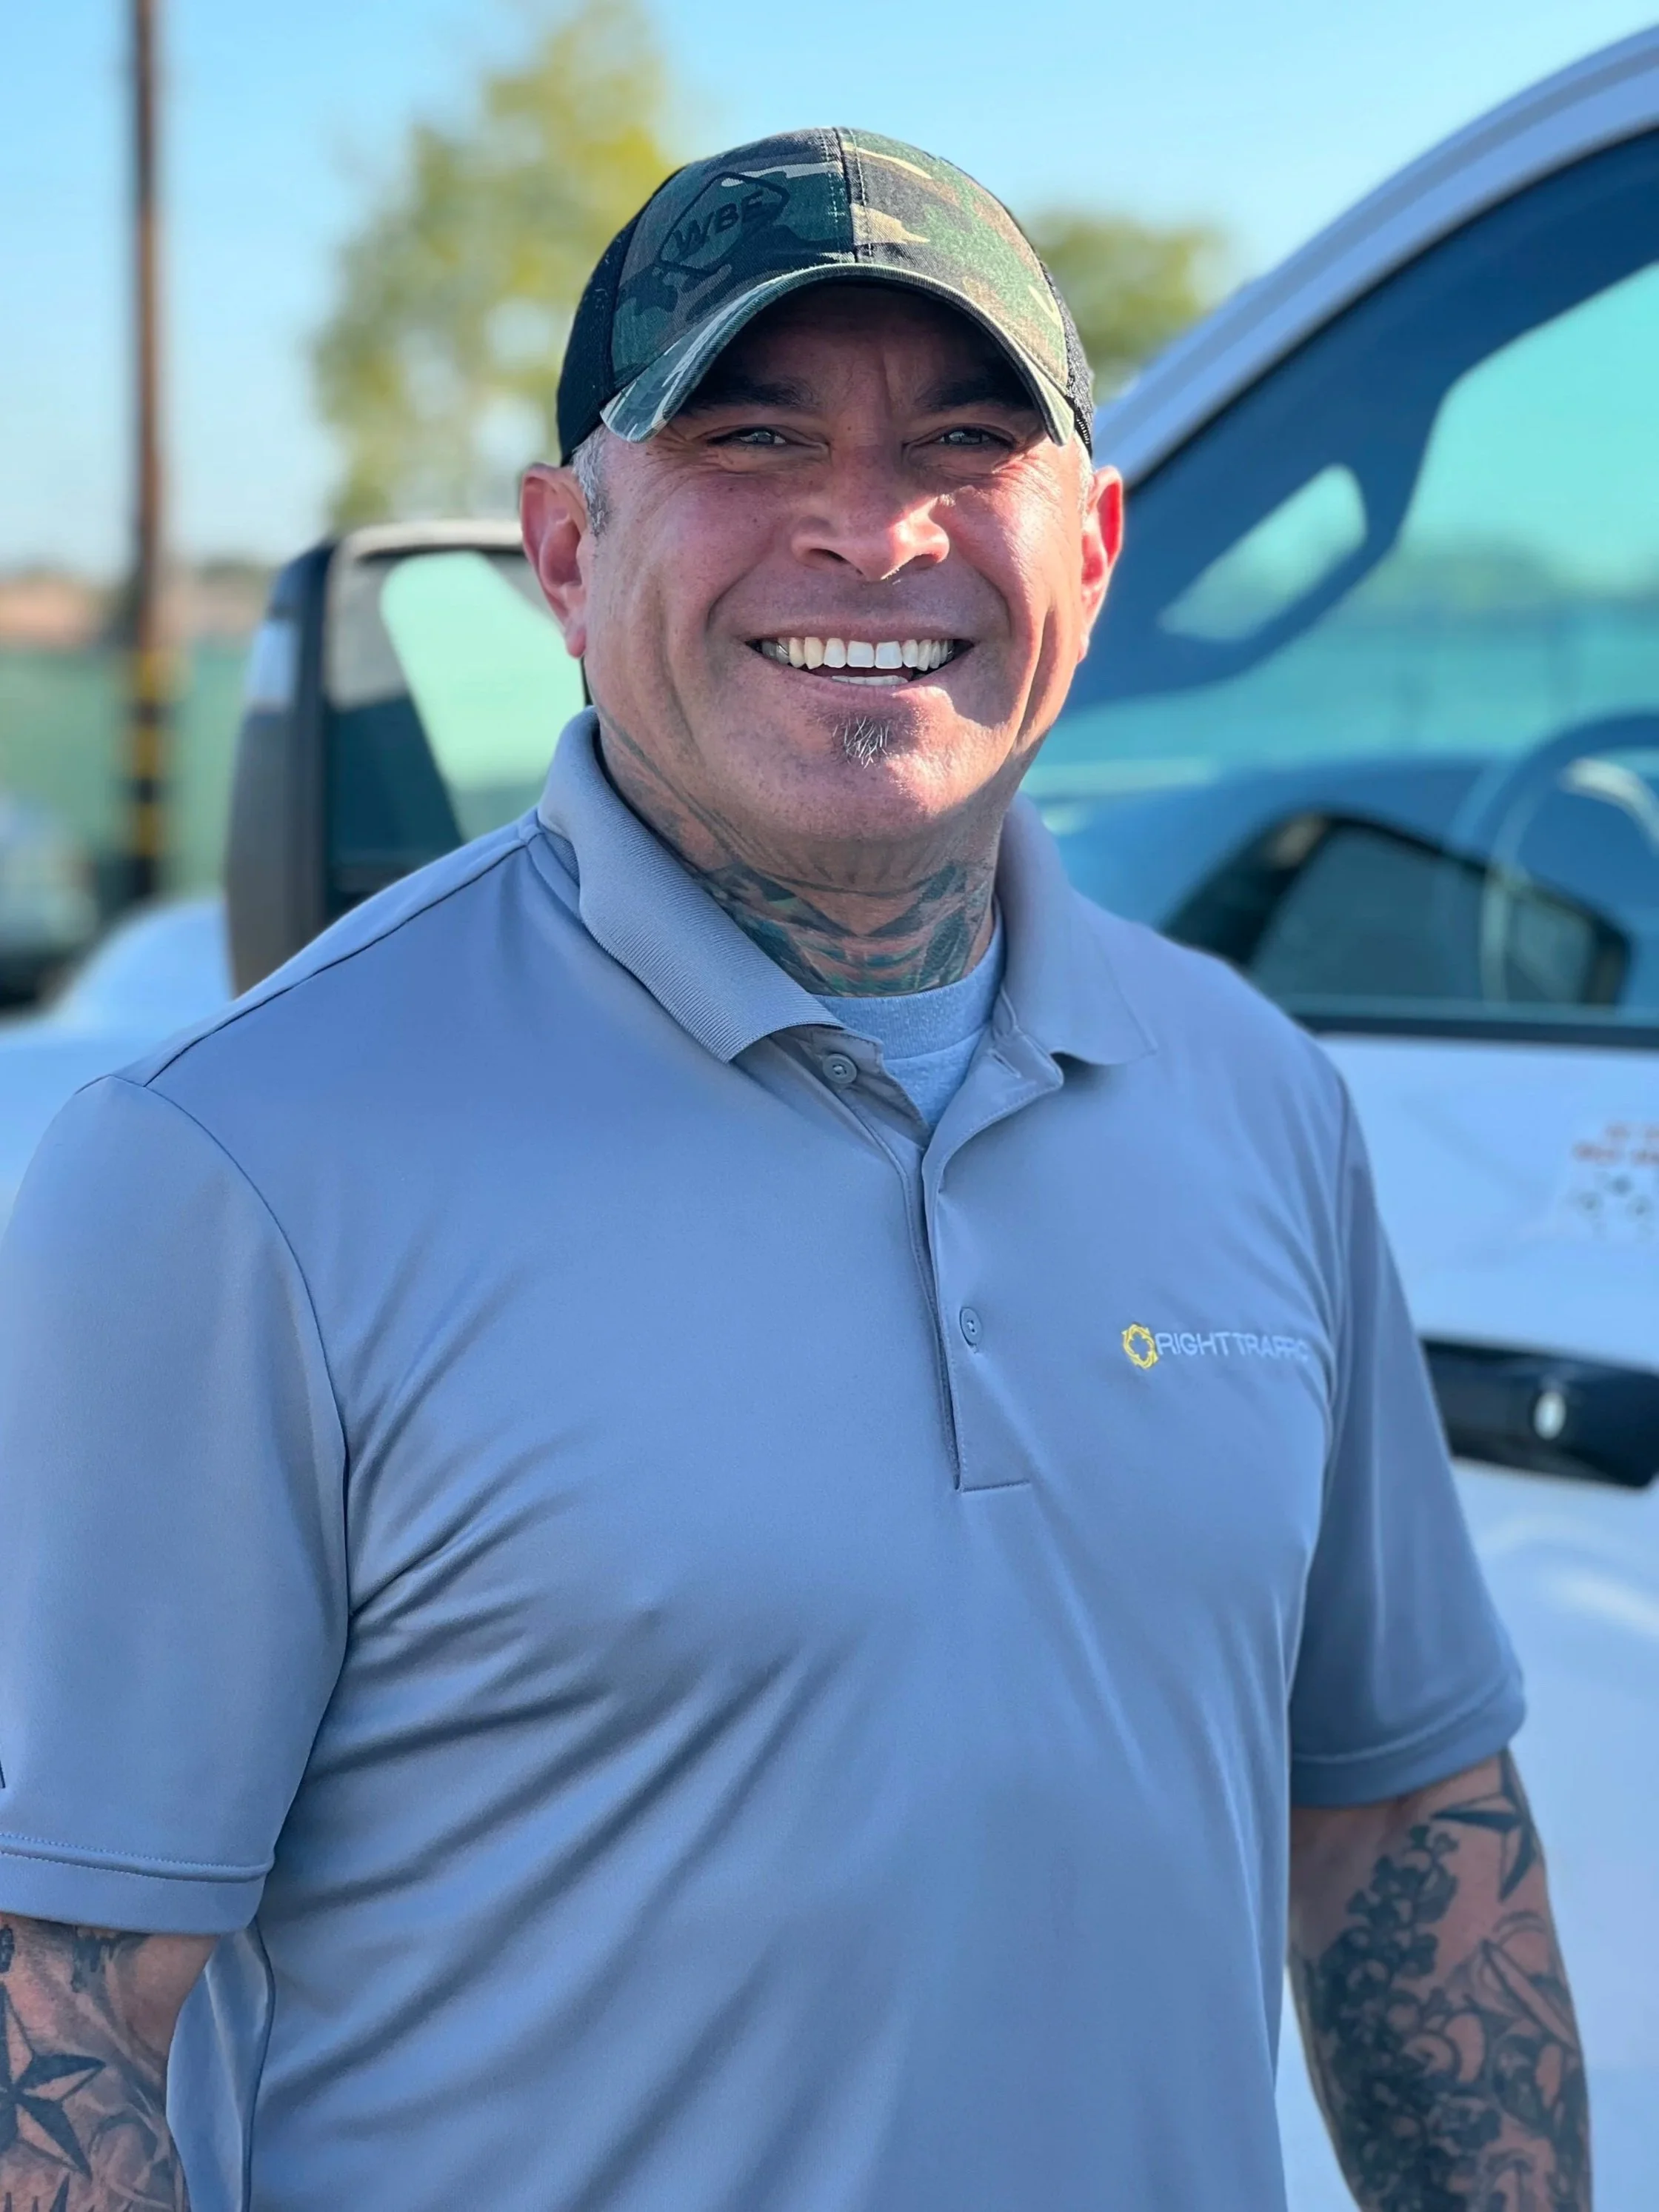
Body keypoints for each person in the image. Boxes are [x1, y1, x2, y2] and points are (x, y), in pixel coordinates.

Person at [0, 130, 1586, 2212]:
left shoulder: (1255, 1094)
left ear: (1095, 552)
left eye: (967, 443)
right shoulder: (232, 1165)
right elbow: (55, 2005)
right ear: (565, 555)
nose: (872, 526)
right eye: (750, 438)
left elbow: (1399, 1829)